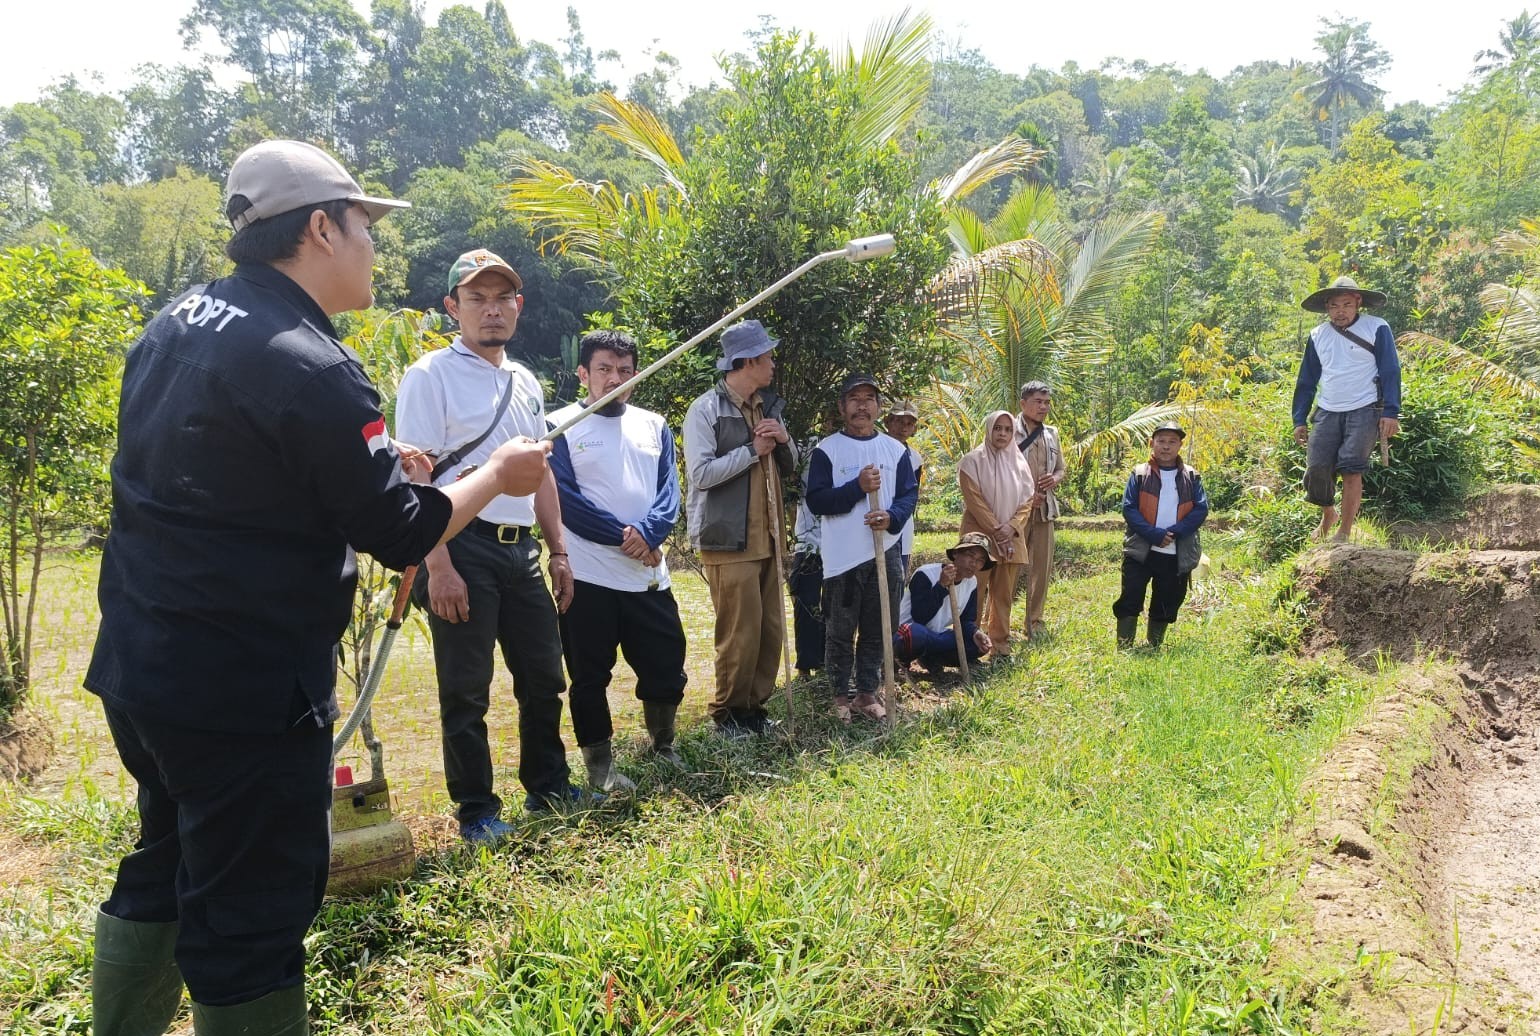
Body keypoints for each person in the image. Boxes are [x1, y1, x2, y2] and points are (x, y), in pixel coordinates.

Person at [83, 140, 552, 1035]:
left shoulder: (178, 319)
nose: (377, 248)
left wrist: (378, 471)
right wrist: (497, 475)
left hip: (143, 666)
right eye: (366, 227)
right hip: (241, 689)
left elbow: (230, 474)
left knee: (164, 856)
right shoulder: (312, 363)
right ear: (321, 228)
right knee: (251, 913)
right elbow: (402, 534)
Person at [395, 247, 591, 838]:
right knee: (466, 688)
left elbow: (543, 473)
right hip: (461, 547)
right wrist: (439, 566)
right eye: (477, 299)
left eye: (502, 298)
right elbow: (416, 479)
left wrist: (557, 550)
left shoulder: (526, 380)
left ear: (518, 306)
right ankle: (477, 809)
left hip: (520, 549)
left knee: (543, 676)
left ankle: (548, 785)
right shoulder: (430, 375)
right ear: (453, 307)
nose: (491, 311)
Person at [548, 329, 689, 786]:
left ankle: (664, 745)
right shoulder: (561, 425)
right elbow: (564, 498)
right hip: (589, 577)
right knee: (589, 677)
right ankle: (601, 770)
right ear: (583, 373)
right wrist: (626, 537)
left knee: (666, 665)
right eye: (604, 370)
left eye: (625, 371)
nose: (615, 379)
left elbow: (669, 492)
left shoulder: (654, 425)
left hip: (649, 576)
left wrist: (649, 534)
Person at [683, 319, 797, 738]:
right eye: (766, 357)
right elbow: (700, 475)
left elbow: (790, 466)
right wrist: (752, 450)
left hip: (766, 537)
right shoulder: (705, 410)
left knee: (769, 631)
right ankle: (727, 715)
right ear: (746, 361)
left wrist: (783, 440)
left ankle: (753, 711)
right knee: (739, 634)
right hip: (728, 540)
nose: (772, 364)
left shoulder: (766, 406)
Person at [805, 374, 919, 722]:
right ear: (842, 408)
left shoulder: (895, 451)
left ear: (878, 408)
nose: (862, 405)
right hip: (843, 557)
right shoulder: (827, 450)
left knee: (878, 626)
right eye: (854, 399)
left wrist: (891, 516)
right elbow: (818, 500)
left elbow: (908, 495)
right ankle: (840, 695)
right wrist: (857, 487)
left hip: (886, 552)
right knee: (840, 629)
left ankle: (867, 693)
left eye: (869, 398)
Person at [1292, 275, 1402, 542]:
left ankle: (1344, 532)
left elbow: (1390, 370)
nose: (1340, 312)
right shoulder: (1318, 335)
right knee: (1317, 467)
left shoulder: (1377, 328)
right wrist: (1299, 418)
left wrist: (1391, 412)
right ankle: (1328, 513)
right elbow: (1307, 379)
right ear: (1327, 307)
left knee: (1352, 468)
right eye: (1334, 306)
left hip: (1366, 408)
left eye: (1346, 305)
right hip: (1328, 409)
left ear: (1358, 303)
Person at [1114, 421, 1210, 649]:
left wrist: (1175, 532)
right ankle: (1124, 646)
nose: (1166, 447)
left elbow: (1201, 509)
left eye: (1172, 442)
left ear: (1179, 446)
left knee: (1168, 599)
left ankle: (1153, 644)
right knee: (1131, 595)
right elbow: (1129, 508)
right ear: (1152, 443)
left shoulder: (1191, 476)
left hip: (1176, 552)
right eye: (1161, 441)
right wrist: (1154, 534)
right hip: (1141, 550)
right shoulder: (1139, 474)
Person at [958, 410, 1036, 656]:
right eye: (998, 428)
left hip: (1011, 537)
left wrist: (1011, 527)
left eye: (1008, 429)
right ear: (989, 429)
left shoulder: (1019, 463)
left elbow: (1027, 501)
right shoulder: (972, 462)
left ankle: (1000, 645)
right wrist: (996, 530)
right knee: (975, 591)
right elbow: (974, 500)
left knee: (1003, 593)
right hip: (978, 538)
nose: (1002, 433)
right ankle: (971, 645)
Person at [894, 532, 995, 676]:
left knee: (977, 646)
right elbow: (920, 617)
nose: (974, 563)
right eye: (970, 555)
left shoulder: (971, 583)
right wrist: (941, 586)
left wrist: (975, 632)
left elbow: (965, 620)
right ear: (955, 554)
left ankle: (930, 658)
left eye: (980, 560)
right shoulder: (926, 574)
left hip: (935, 636)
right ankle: (899, 660)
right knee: (915, 635)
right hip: (909, 631)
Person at [1014, 381, 1068, 639]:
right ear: (1023, 403)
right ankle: (997, 623)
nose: (1043, 407)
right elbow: (998, 469)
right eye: (1038, 402)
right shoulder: (1008, 430)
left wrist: (1055, 479)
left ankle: (1034, 622)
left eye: (1047, 402)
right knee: (1008, 567)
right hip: (1015, 511)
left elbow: (1060, 468)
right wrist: (1025, 495)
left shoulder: (1052, 434)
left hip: (1045, 509)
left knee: (1041, 569)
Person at [883, 399, 925, 574]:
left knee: (898, 575)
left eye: (909, 423)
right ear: (888, 422)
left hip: (903, 523)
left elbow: (911, 494)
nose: (904, 427)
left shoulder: (915, 458)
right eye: (899, 421)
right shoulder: (878, 449)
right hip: (879, 517)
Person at [789, 496, 825, 679]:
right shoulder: (799, 467)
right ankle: (805, 666)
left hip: (840, 543)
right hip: (807, 544)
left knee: (836, 606)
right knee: (805, 604)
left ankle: (827, 662)